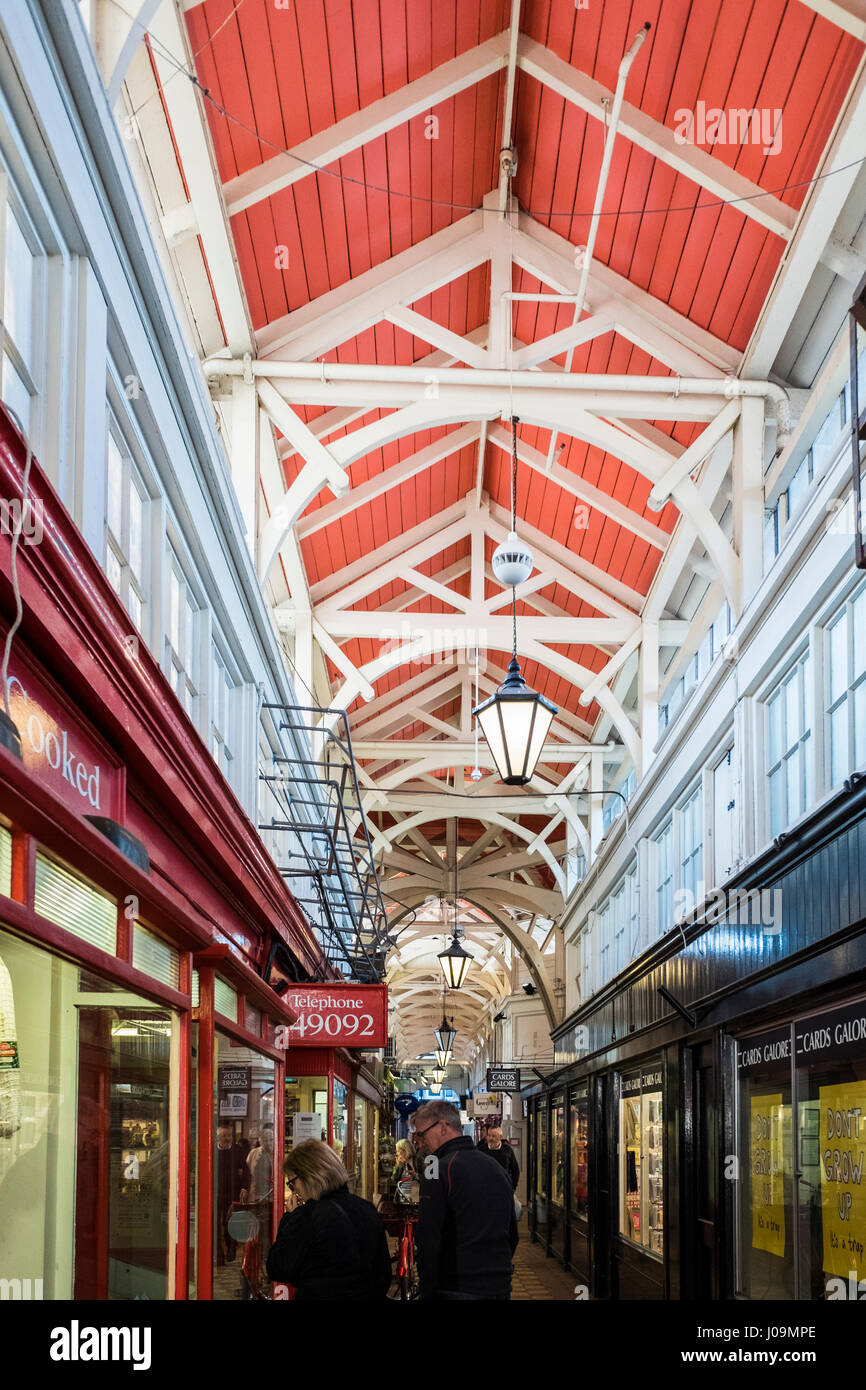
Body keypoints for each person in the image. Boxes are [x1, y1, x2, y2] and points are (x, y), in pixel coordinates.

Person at [412, 1100, 518, 1300]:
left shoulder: (437, 1169)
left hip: (456, 1287)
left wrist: (427, 1291)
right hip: (499, 1286)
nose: (419, 1142)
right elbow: (512, 1232)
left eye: (421, 1134)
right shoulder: (496, 1168)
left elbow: (429, 1239)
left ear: (443, 1127)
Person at [266, 1138, 392, 1300]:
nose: (294, 1190)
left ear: (308, 1176)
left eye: (292, 1183)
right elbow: (382, 1276)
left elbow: (278, 1268)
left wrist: (290, 1217)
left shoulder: (308, 1216)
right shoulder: (366, 1209)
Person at [478, 1127, 520, 1191]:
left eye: (494, 1136)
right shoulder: (481, 1150)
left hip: (504, 1188)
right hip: (486, 1189)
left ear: (500, 1137)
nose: (491, 1138)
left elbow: (515, 1170)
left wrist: (513, 1187)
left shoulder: (507, 1150)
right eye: (489, 1135)